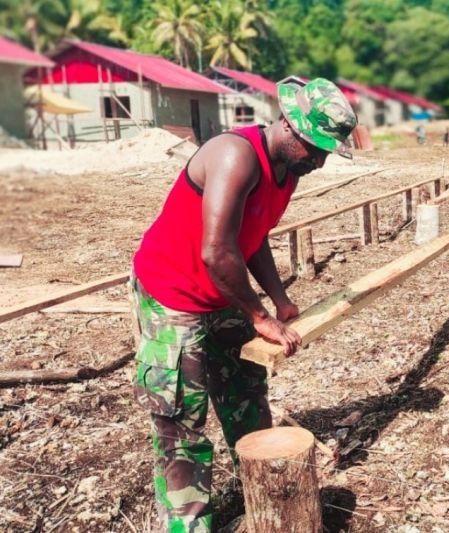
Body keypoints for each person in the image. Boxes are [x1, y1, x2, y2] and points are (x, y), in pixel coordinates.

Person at [129, 77, 357, 531]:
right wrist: (258, 316)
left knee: (246, 395)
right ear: (290, 126)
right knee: (182, 425)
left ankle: (263, 494)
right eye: (315, 147)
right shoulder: (235, 156)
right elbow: (217, 251)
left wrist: (279, 298)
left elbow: (253, 237)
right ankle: (187, 524)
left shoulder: (288, 170)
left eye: (326, 150)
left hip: (221, 294)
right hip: (174, 297)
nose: (320, 159)